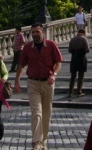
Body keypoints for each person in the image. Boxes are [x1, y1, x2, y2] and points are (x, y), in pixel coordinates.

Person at [14, 23, 64, 151]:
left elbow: (58, 62)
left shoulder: (51, 45)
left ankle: (44, 140)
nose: (35, 34)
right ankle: (36, 141)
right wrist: (17, 81)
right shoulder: (27, 47)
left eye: (37, 32)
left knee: (46, 113)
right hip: (33, 83)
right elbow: (22, 65)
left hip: (48, 82)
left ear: (43, 32)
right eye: (33, 32)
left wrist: (55, 75)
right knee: (36, 112)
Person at [67, 29, 90, 99]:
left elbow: (69, 50)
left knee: (73, 76)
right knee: (81, 75)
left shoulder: (72, 39)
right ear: (83, 33)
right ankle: (79, 92)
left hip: (73, 58)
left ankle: (70, 92)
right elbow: (87, 49)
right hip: (81, 58)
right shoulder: (84, 39)